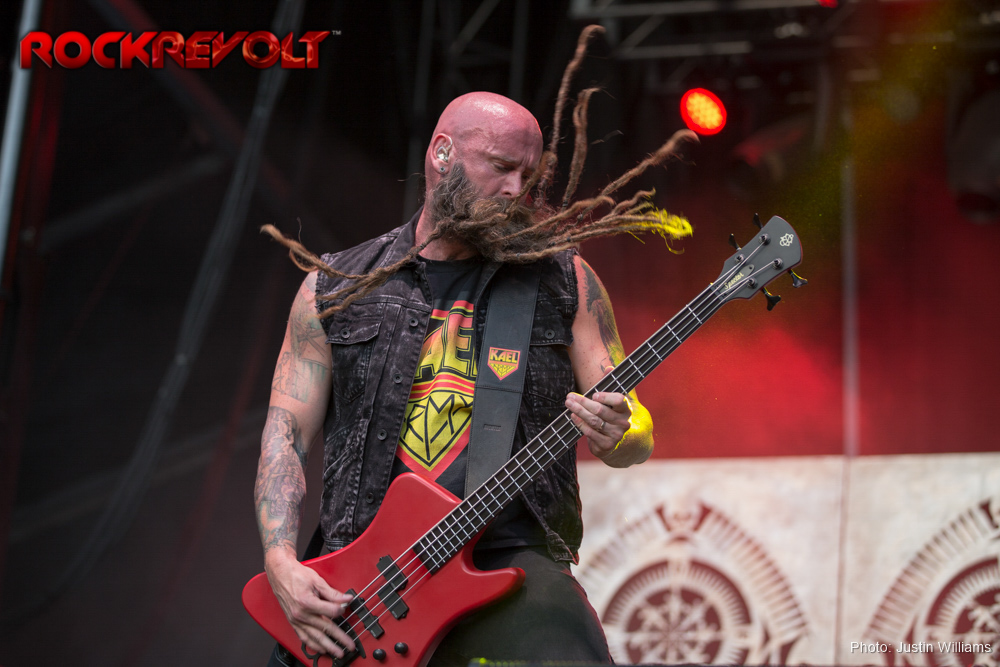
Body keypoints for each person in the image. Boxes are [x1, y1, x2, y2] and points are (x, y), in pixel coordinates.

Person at [254, 91, 656, 666]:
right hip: (366, 578)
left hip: (510, 556)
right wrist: (280, 560)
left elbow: (633, 426)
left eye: (528, 176)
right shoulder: (337, 286)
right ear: (443, 153)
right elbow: (285, 435)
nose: (516, 190)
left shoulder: (564, 280)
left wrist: (623, 431)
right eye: (502, 167)